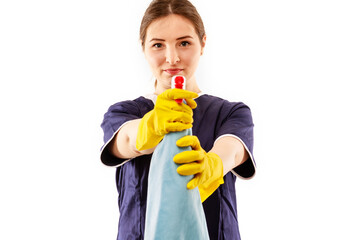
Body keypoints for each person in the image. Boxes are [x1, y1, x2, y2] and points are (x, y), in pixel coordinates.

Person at [100, 0, 256, 239]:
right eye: (158, 45)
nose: (172, 58)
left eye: (184, 43)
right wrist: (149, 127)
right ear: (143, 47)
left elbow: (233, 151)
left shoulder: (231, 113)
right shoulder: (123, 113)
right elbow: (127, 139)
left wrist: (211, 165)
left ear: (203, 43)